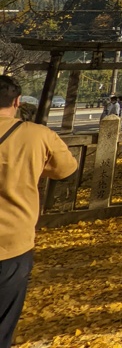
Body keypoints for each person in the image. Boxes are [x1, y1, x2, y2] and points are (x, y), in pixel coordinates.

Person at [0, 75, 78, 348]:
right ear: (17, 102)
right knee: (4, 321)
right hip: (13, 242)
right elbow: (66, 170)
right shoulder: (39, 135)